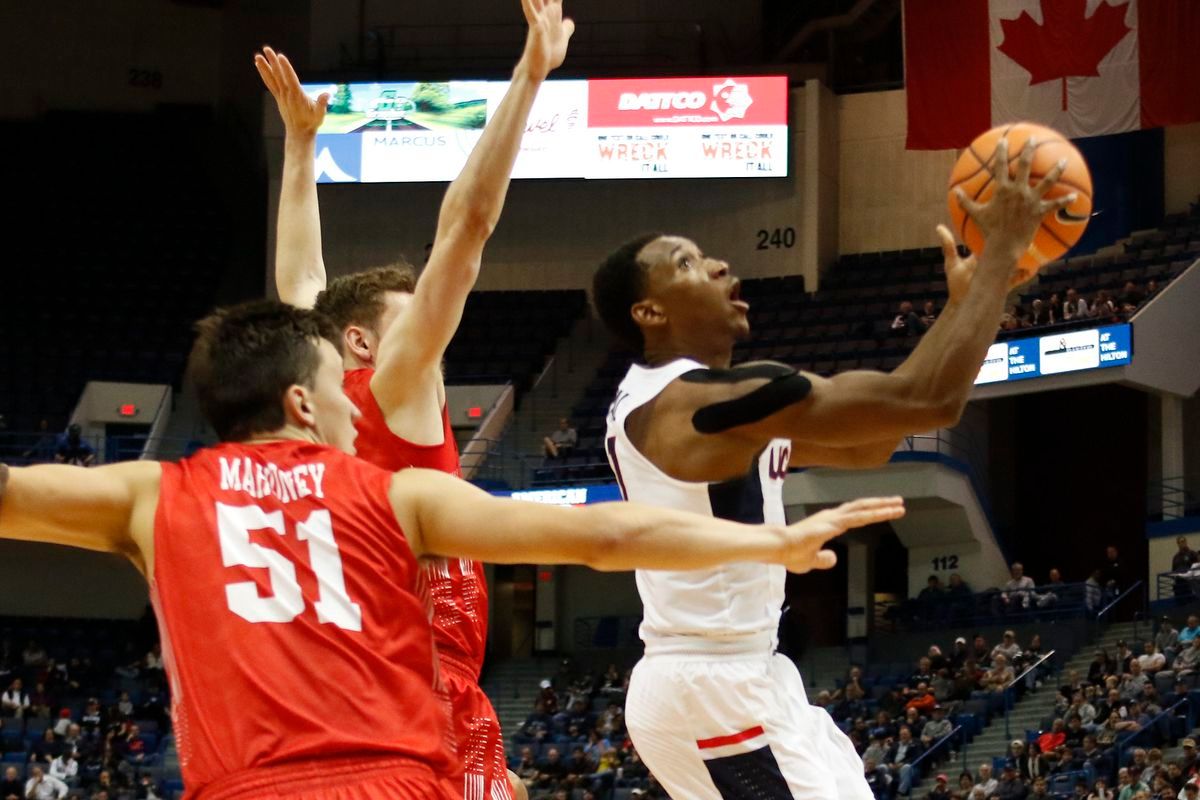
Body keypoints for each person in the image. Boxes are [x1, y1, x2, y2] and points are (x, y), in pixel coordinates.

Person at [0, 301, 901, 799]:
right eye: (339, 391)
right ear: (306, 407)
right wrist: (772, 538)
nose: (358, 406)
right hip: (399, 784)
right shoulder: (398, 494)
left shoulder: (148, 494)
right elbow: (606, 536)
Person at [591, 135, 1072, 799]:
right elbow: (929, 398)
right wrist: (1001, 258)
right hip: (712, 687)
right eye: (688, 263)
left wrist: (968, 307)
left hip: (740, 676)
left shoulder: (707, 407)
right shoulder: (692, 403)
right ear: (649, 312)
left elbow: (869, 443)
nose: (720, 264)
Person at [256, 1, 575, 797]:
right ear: (365, 343)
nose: (435, 330)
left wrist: (302, 146)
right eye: (412, 315)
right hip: (424, 709)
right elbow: (466, 228)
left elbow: (300, 280)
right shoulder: (392, 387)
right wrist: (529, 78)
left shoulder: (320, 398)